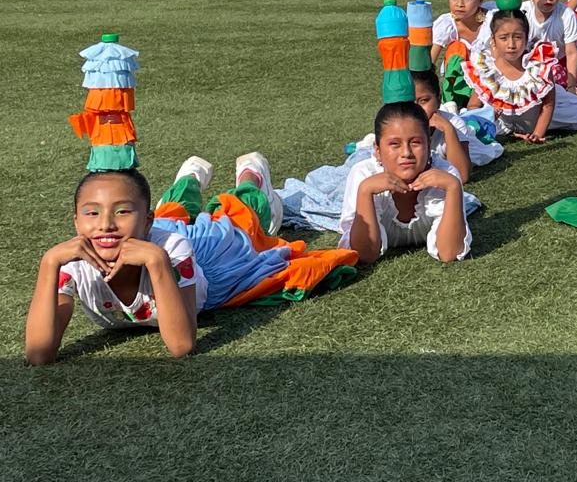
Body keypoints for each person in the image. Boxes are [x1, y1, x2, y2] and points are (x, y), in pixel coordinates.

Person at [23, 153, 344, 364]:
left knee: (239, 222)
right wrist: (48, 263)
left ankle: (251, 176)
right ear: (76, 222)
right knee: (170, 214)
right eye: (92, 213)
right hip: (157, 229)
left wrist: (158, 261)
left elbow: (181, 345)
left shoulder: (170, 249)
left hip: (207, 258)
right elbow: (39, 354)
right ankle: (188, 179)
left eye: (121, 211)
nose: (105, 223)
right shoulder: (70, 263)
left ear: (145, 223)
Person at [337, 102, 470, 265]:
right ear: (377, 150)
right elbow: (365, 254)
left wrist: (453, 188)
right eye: (395, 144)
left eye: (415, 142)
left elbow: (449, 253)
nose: (406, 153)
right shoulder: (363, 175)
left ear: (429, 145)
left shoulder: (446, 175)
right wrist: (365, 192)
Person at [462, 9, 577, 141]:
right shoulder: (488, 70)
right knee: (466, 122)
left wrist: (538, 133)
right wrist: (489, 114)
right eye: (503, 38)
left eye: (518, 37)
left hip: (544, 116)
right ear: (493, 40)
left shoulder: (538, 68)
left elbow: (548, 104)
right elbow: (473, 105)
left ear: (526, 38)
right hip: (505, 123)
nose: (511, 45)